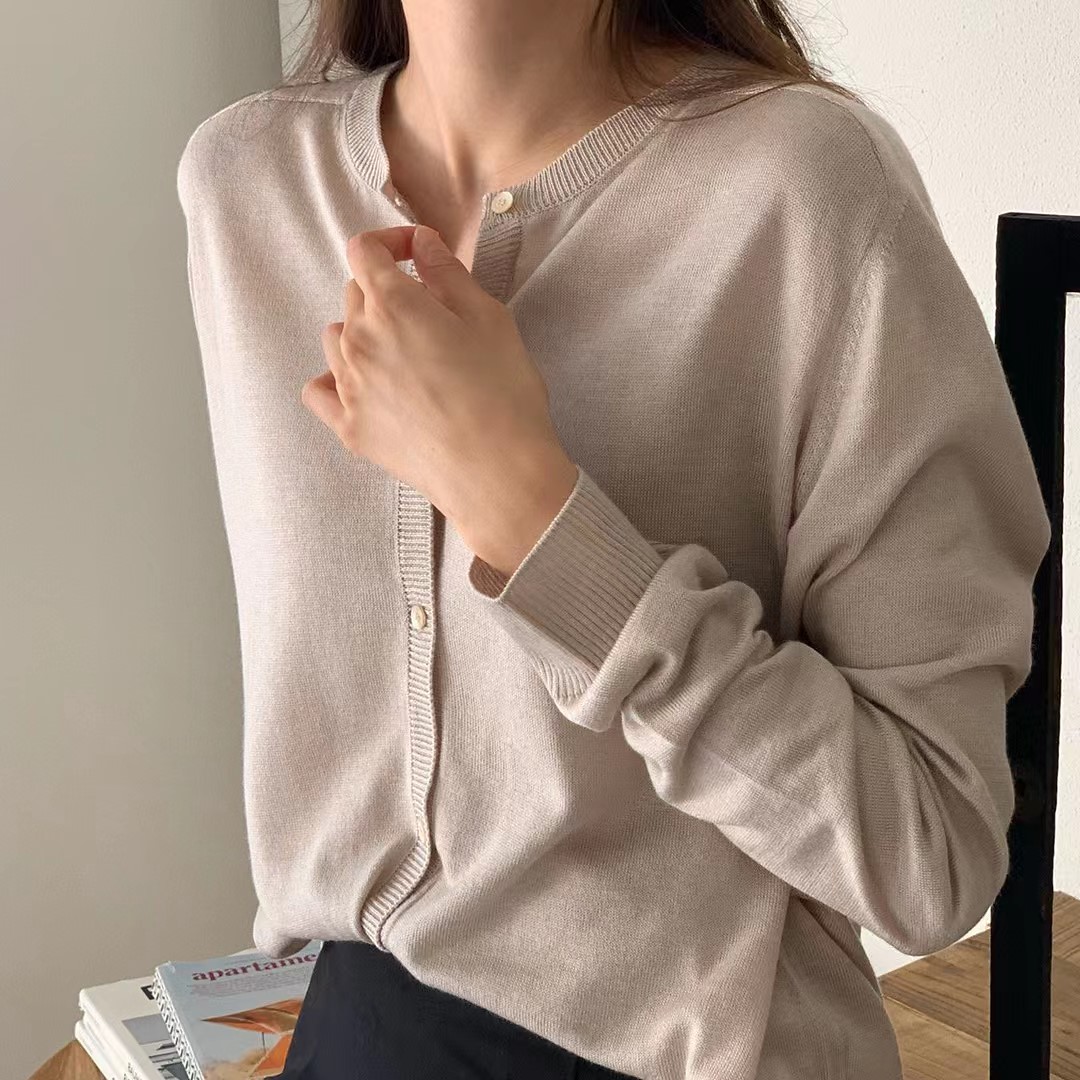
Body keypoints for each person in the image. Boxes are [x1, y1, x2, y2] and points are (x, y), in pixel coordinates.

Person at [175, 1, 1053, 1077]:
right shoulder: (248, 181)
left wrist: (526, 510)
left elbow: (932, 855)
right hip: (357, 1025)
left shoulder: (812, 190)